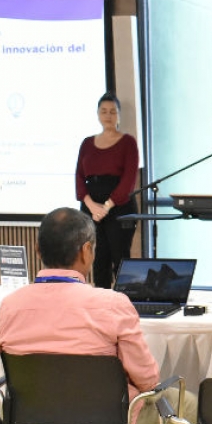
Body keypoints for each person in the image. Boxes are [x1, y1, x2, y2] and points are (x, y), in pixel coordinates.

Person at [0, 207, 196, 424]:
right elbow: (147, 380)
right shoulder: (112, 303)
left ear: (37, 250)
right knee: (186, 405)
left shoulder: (10, 305)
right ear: (87, 251)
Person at [75, 92, 139, 289]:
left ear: (119, 115)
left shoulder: (128, 142)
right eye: (104, 111)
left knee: (120, 258)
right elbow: (79, 177)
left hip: (118, 208)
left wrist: (106, 207)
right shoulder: (87, 143)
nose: (108, 115)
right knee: (98, 258)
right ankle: (100, 304)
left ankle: (123, 303)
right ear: (97, 114)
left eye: (113, 111)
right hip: (91, 210)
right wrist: (92, 206)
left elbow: (129, 180)